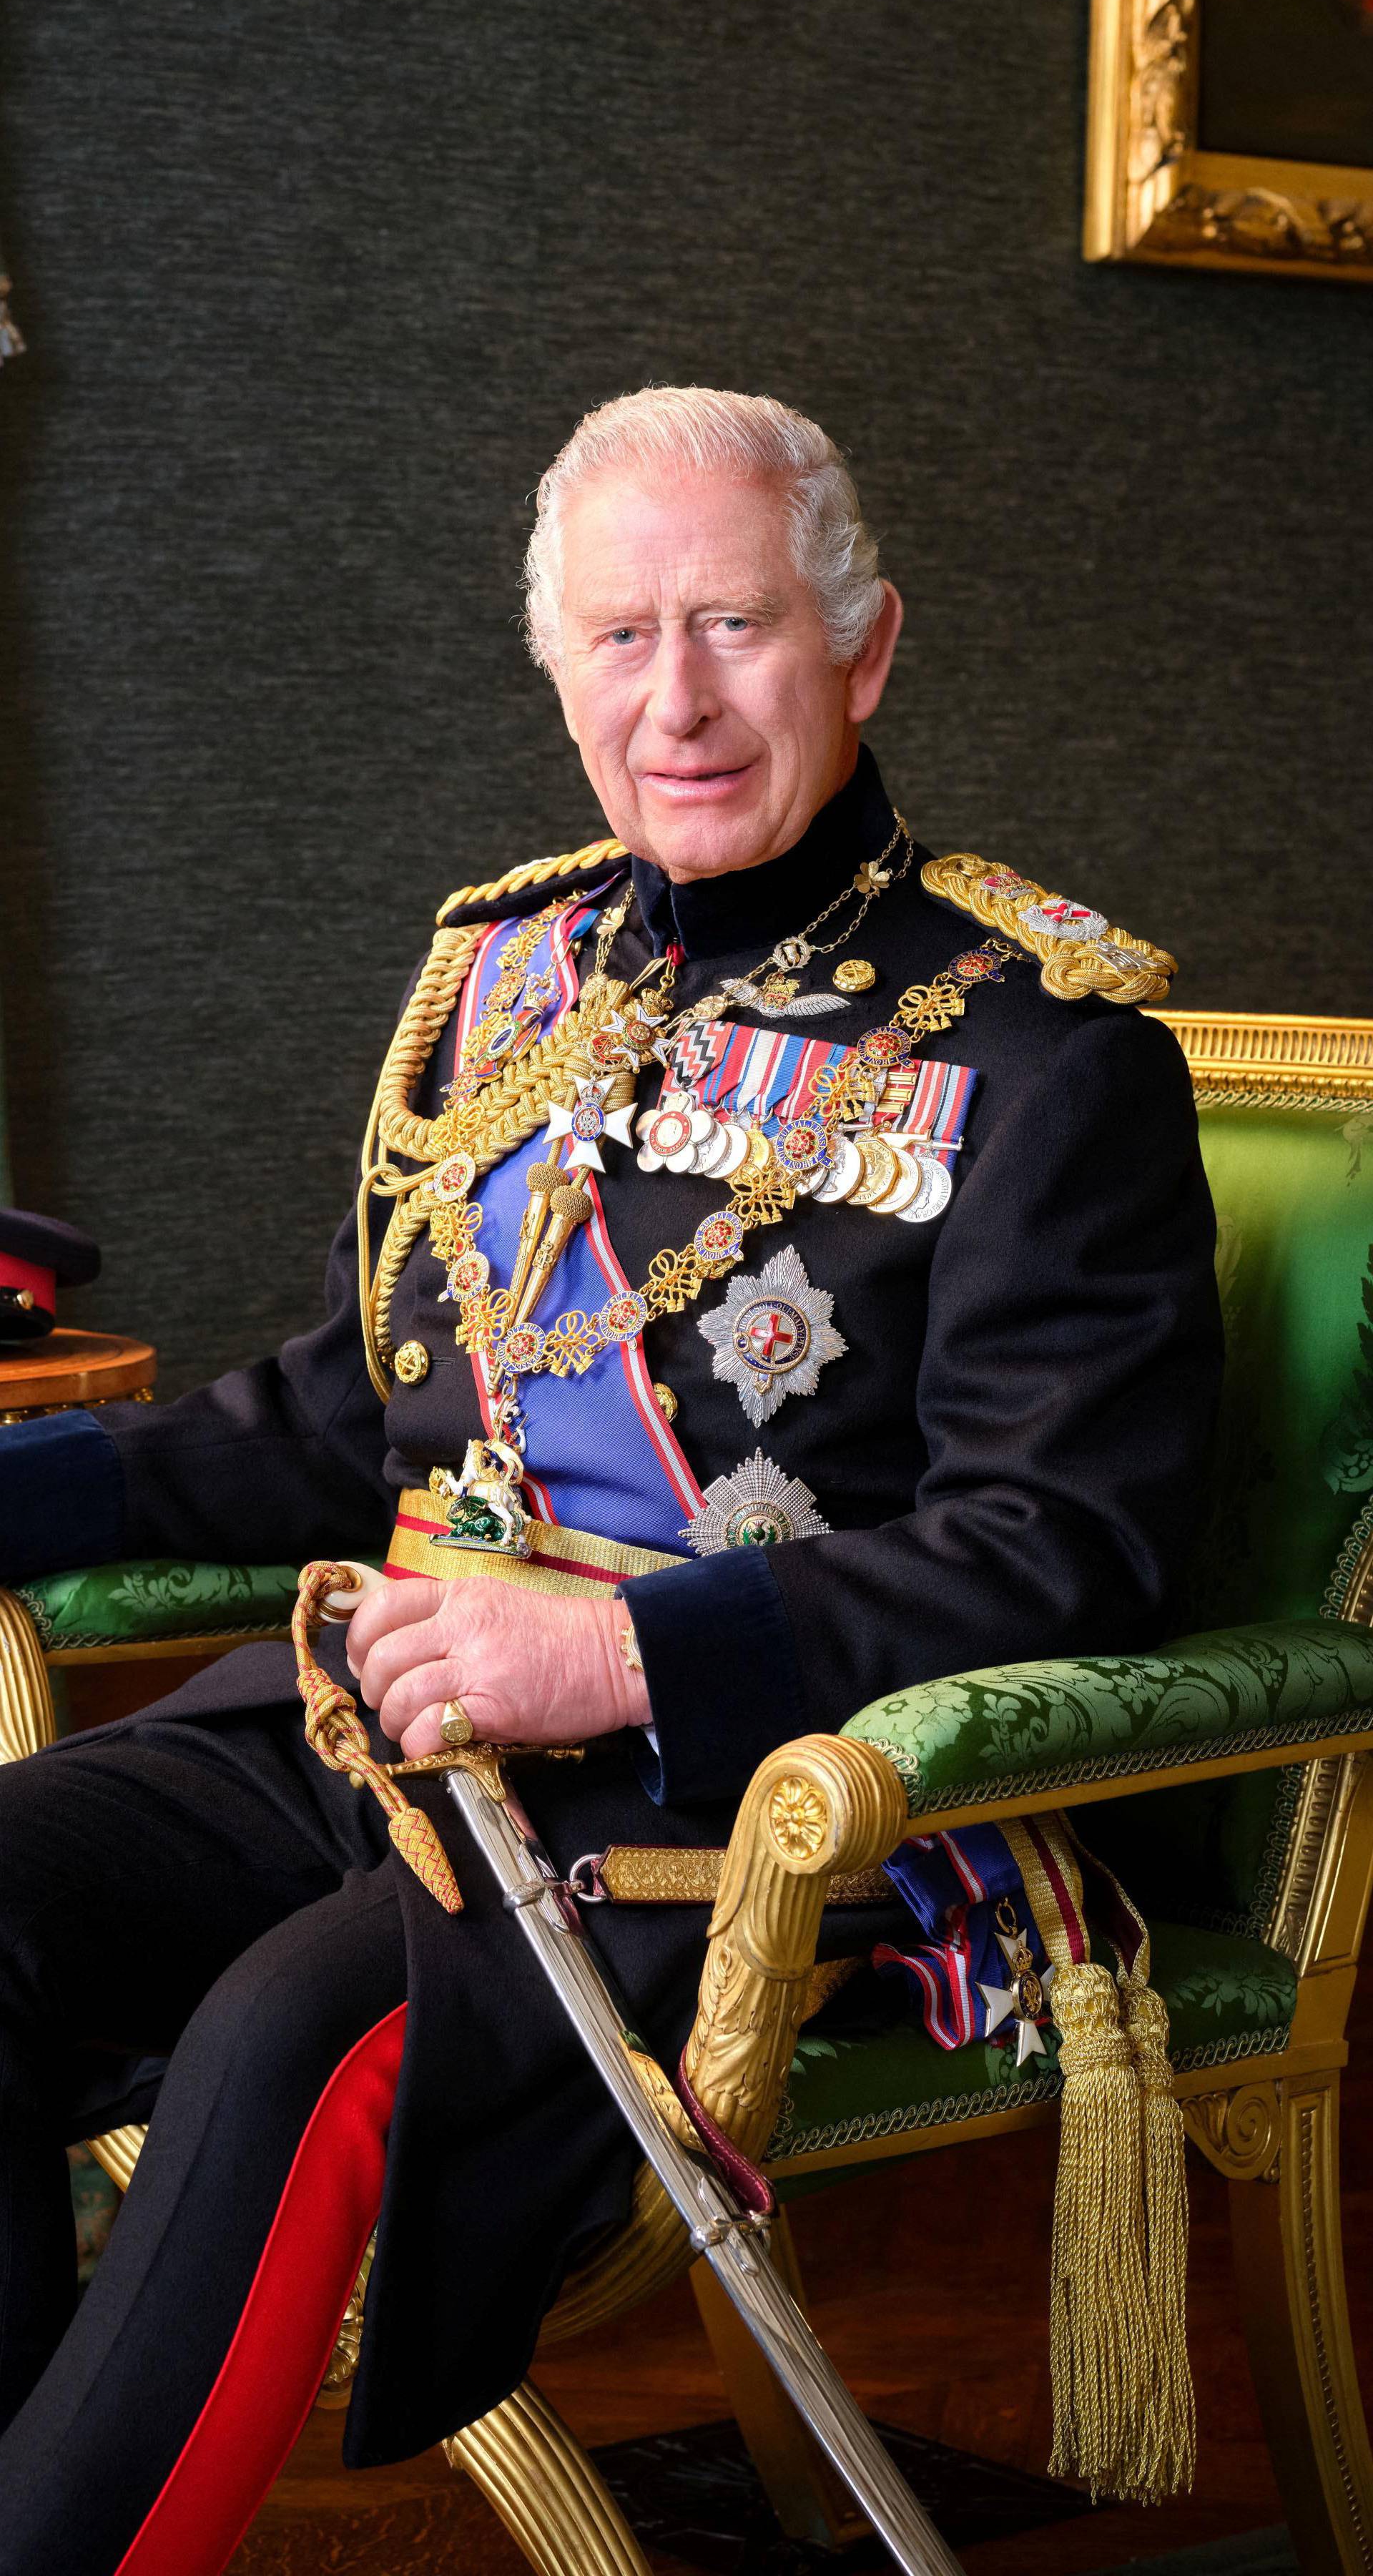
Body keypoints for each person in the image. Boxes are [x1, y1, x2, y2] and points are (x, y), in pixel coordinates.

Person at [0, 386, 1222, 2575]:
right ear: (558, 672)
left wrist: (625, 1655)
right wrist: (30, 1487)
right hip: (386, 1702)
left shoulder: (1041, 1050)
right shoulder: (519, 979)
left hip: (729, 1797)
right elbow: (363, 1409)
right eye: (619, 638)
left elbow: (1076, 1545)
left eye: (737, 625)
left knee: (300, 2032)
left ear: (865, 646)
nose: (677, 700)